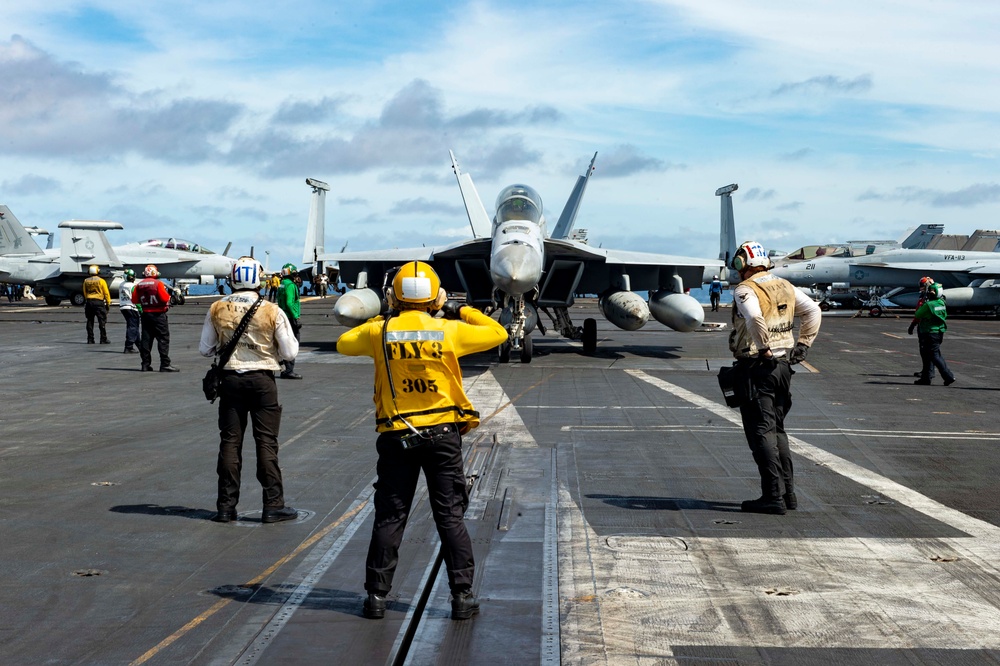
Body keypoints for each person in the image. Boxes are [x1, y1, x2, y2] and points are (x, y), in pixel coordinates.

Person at [337, 261, 508, 621]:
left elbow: (343, 343)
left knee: (391, 516)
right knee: (450, 517)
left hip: (397, 435)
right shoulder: (447, 330)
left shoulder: (379, 332)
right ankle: (462, 597)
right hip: (443, 436)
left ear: (393, 294)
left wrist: (386, 314)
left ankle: (376, 598)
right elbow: (498, 333)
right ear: (435, 295)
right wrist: (458, 307)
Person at [199, 256, 300, 524]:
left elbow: (205, 349)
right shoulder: (272, 310)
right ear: (259, 279)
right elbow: (290, 352)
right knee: (266, 442)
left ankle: (225, 507)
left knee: (230, 443)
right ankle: (273, 505)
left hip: (230, 380)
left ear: (232, 279)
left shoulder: (216, 308)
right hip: (263, 381)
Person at [728, 241, 821, 515]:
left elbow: (754, 319)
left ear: (742, 264)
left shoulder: (746, 289)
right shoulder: (784, 285)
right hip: (783, 367)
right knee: (777, 431)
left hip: (759, 366)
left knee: (761, 432)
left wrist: (764, 348)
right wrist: (803, 346)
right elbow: (814, 311)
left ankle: (772, 496)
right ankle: (788, 493)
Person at [133, 264, 179, 372]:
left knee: (146, 340)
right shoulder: (158, 283)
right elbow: (164, 298)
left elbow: (134, 300)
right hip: (158, 315)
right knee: (163, 339)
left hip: (145, 315)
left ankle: (145, 364)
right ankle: (164, 364)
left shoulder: (139, 285)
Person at [910, 282, 956, 386]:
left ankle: (948, 376)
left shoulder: (929, 305)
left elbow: (918, 313)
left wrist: (924, 303)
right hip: (938, 332)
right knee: (929, 355)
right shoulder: (941, 303)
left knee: (934, 356)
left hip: (929, 333)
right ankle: (926, 378)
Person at [276, 263, 303, 379]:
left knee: (284, 342)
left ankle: (285, 368)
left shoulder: (282, 284)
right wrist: (295, 316)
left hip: (282, 315)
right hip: (290, 317)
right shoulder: (291, 285)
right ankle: (289, 370)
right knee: (293, 343)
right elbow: (289, 302)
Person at [909, 276, 936, 380]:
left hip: (927, 328)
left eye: (922, 286)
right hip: (923, 326)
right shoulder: (925, 296)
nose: (920, 288)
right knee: (924, 350)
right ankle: (926, 370)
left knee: (928, 351)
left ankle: (929, 371)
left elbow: (920, 312)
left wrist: (913, 324)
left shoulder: (929, 299)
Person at [82, 265, 112, 344]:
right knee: (101, 321)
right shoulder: (101, 281)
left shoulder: (86, 281)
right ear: (97, 271)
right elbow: (106, 293)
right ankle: (103, 339)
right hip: (99, 302)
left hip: (89, 302)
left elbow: (85, 292)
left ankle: (90, 339)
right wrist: (108, 303)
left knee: (90, 320)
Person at [119, 268, 140, 353]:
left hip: (123, 307)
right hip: (131, 307)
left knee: (133, 326)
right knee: (133, 326)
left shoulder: (121, 284)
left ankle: (139, 344)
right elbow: (136, 298)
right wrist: (141, 309)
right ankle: (128, 346)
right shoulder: (132, 286)